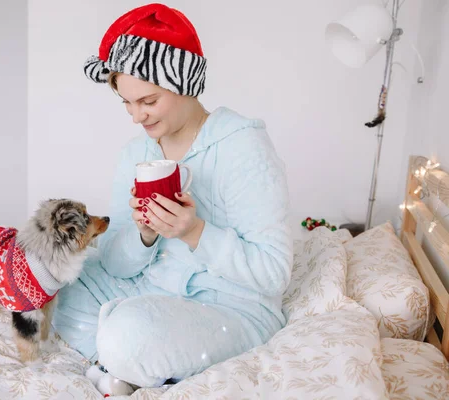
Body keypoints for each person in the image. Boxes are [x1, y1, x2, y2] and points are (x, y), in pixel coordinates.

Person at [53, 3, 293, 394]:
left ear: (184, 84)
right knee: (59, 281)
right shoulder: (136, 154)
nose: (137, 117)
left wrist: (194, 231)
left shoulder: (243, 147)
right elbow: (115, 263)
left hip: (230, 307)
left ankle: (120, 355)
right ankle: (115, 362)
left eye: (148, 101)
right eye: (127, 103)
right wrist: (145, 235)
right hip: (150, 289)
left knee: (128, 333)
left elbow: (273, 274)